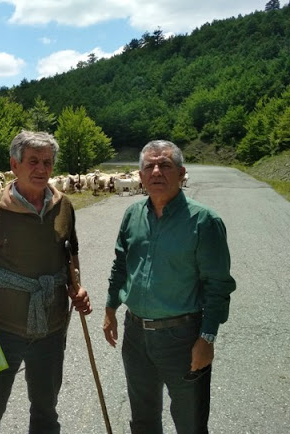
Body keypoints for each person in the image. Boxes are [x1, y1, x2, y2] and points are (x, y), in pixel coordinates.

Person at [0, 130, 92, 434]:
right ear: (14, 165)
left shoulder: (63, 206)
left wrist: (76, 288)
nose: (41, 169)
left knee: (46, 410)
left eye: (47, 162)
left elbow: (70, 252)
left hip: (51, 332)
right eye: (33, 161)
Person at [103, 140, 236, 434]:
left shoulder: (204, 222)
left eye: (165, 165)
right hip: (135, 335)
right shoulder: (132, 215)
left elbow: (218, 286)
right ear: (140, 176)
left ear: (181, 172)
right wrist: (111, 307)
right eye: (149, 166)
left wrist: (207, 338)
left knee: (190, 421)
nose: (156, 171)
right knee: (143, 419)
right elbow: (121, 265)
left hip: (182, 337)